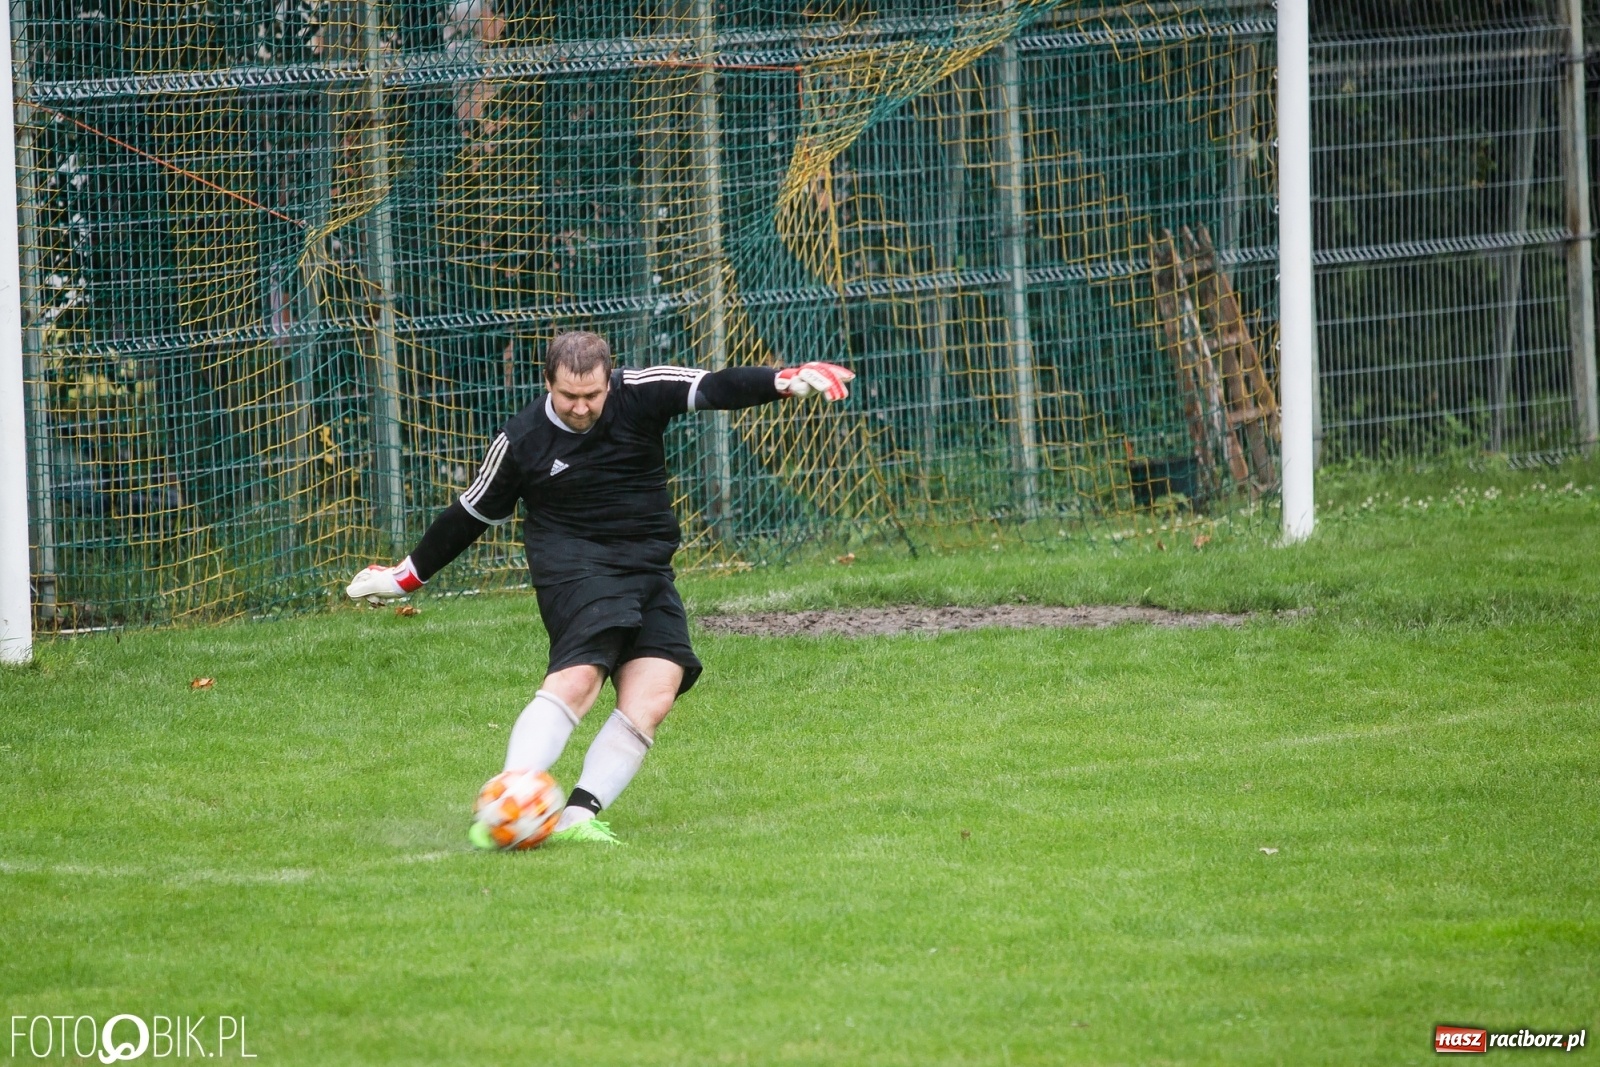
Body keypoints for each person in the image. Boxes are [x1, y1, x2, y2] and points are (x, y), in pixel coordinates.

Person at [345, 330, 854, 846]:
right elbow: (469, 514)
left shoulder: (639, 391)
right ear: (548, 383)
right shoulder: (522, 440)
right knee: (580, 678)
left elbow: (715, 387)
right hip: (572, 565)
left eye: (592, 395)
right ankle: (512, 798)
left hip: (648, 567)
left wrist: (782, 381)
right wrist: (403, 578)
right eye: (569, 396)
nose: (582, 408)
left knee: (656, 693)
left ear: (609, 380)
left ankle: (576, 818)